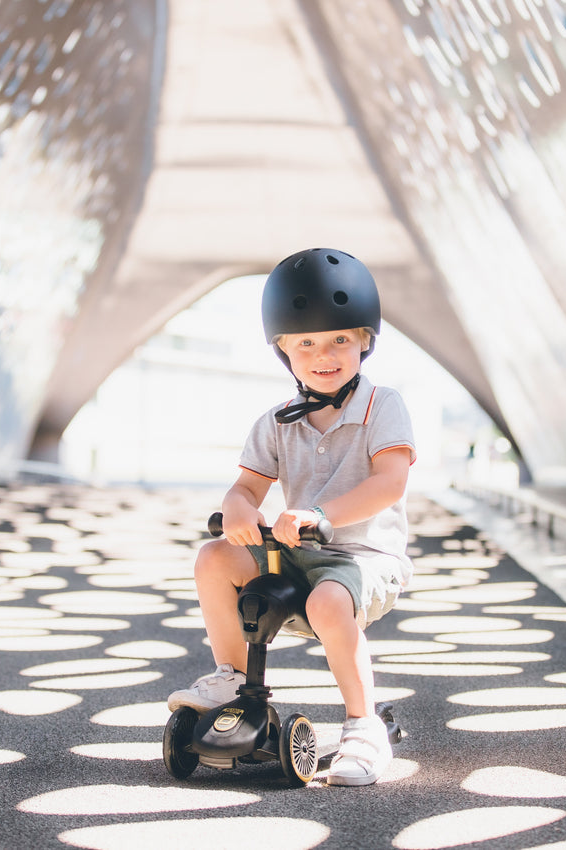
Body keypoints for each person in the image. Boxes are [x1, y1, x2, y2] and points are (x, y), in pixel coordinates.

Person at [168, 247, 416, 786]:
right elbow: (245, 487)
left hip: (364, 560)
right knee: (215, 556)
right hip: (297, 553)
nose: (323, 354)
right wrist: (238, 511)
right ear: (283, 350)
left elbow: (389, 482)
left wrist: (319, 513)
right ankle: (232, 679)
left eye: (339, 341)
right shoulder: (278, 421)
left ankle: (363, 726)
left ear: (364, 342)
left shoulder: (383, 407)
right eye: (305, 342)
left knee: (329, 600)